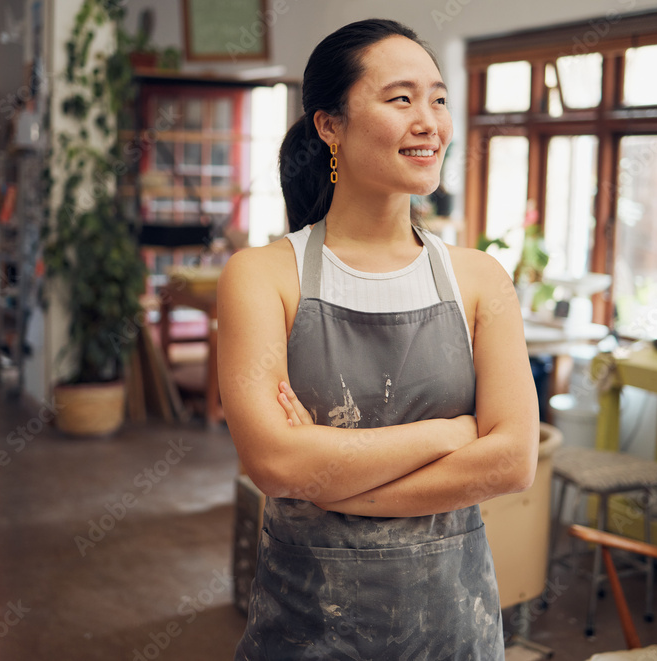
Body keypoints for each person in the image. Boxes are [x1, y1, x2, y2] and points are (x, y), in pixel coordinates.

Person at [217, 18, 539, 660]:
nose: (430, 121)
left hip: (455, 626)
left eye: (439, 99)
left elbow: (512, 461)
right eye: (401, 99)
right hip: (309, 628)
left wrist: (327, 475)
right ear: (329, 125)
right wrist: (451, 434)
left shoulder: (479, 278)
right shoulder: (262, 275)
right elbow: (275, 465)